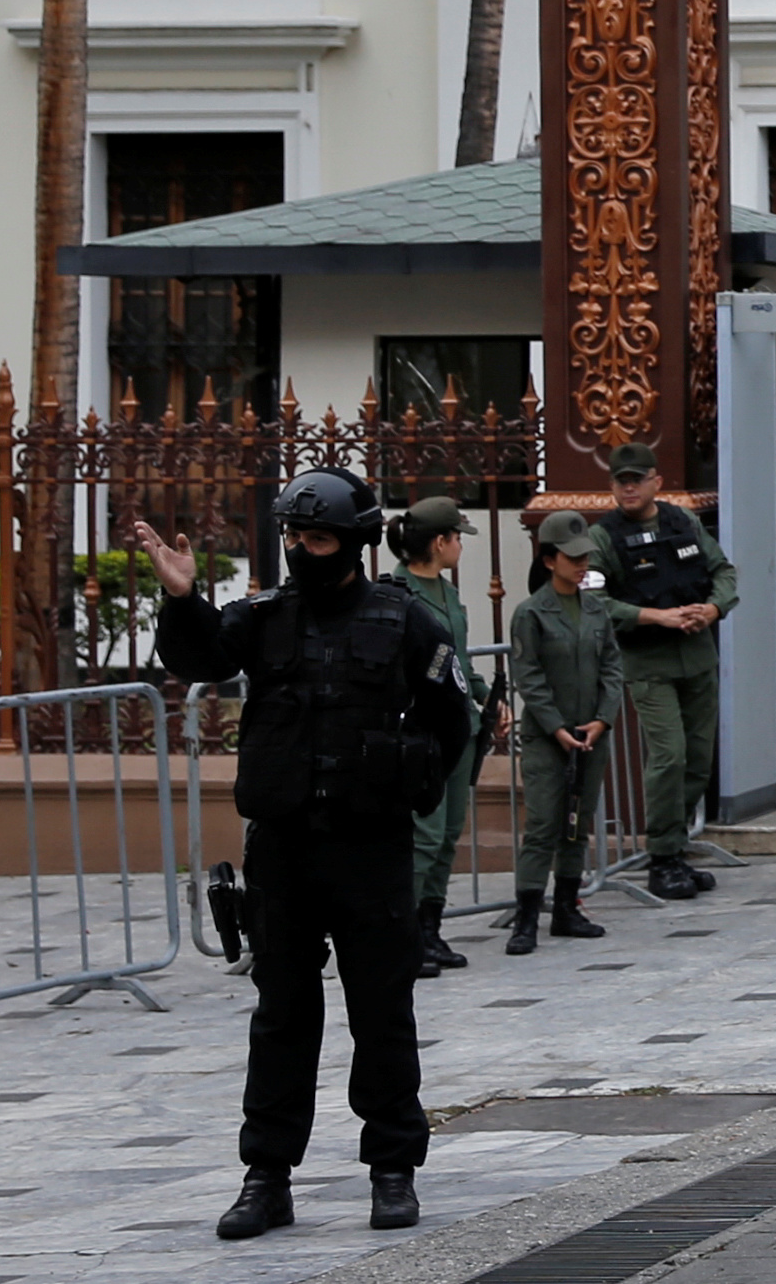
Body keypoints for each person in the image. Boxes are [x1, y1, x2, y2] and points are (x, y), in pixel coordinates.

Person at [141, 470, 471, 1240]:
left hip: (371, 847)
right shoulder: (263, 616)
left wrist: (407, 780)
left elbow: (452, 717)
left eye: (316, 537)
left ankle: (392, 1168)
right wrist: (182, 597)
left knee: (382, 1014)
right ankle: (267, 1176)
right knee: (282, 1015)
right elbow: (202, 659)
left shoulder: (405, 620)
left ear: (352, 541)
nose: (301, 549)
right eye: (292, 536)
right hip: (284, 849)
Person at [594, 441, 737, 898]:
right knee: (668, 756)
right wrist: (656, 617)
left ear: (656, 480)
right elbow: (594, 601)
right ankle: (662, 857)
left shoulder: (683, 521)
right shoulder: (603, 537)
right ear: (612, 485)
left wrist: (713, 609)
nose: (630, 487)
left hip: (696, 655)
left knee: (697, 760)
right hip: (648, 661)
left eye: (638, 479)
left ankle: (677, 847)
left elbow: (724, 572)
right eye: (622, 480)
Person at [507, 513, 623, 955]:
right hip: (547, 738)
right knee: (542, 824)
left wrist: (602, 719)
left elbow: (612, 667)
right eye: (572, 558)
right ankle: (527, 916)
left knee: (578, 823)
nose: (581, 565)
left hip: (590, 733)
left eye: (585, 557)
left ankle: (567, 909)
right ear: (550, 559)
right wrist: (556, 727)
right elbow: (528, 676)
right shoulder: (531, 613)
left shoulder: (596, 608)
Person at [391, 497, 490, 978]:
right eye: (457, 538)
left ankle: (430, 928)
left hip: (459, 727)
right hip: (422, 729)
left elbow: (460, 661)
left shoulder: (448, 594)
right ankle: (403, 935)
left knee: (449, 834)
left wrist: (487, 698)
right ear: (439, 542)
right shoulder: (397, 592)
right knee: (424, 837)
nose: (460, 547)